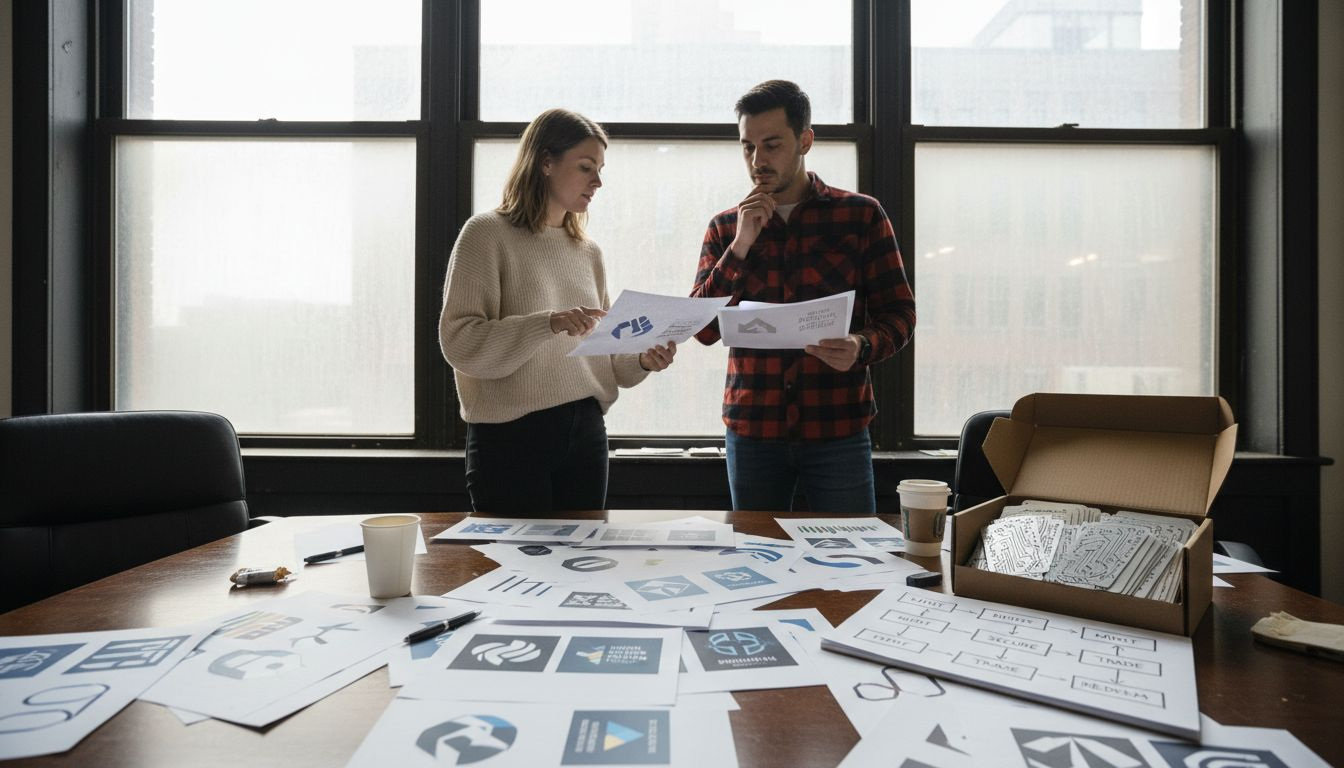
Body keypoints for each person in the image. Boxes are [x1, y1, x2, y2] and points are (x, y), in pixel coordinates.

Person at [690, 80, 915, 514]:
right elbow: (700, 330)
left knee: (852, 562)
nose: (758, 161)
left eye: (772, 145)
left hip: (838, 429)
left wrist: (860, 346)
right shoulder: (724, 229)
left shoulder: (861, 216)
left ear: (805, 141)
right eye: (747, 147)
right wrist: (740, 248)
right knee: (756, 565)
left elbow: (900, 313)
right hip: (752, 431)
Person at [440, 108, 676, 514]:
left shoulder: (588, 252)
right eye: (586, 167)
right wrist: (545, 323)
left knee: (585, 570)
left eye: (600, 169)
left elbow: (608, 358)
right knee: (511, 571)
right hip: (510, 438)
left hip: (586, 434)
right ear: (545, 162)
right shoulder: (485, 234)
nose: (598, 181)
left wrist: (642, 358)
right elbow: (459, 342)